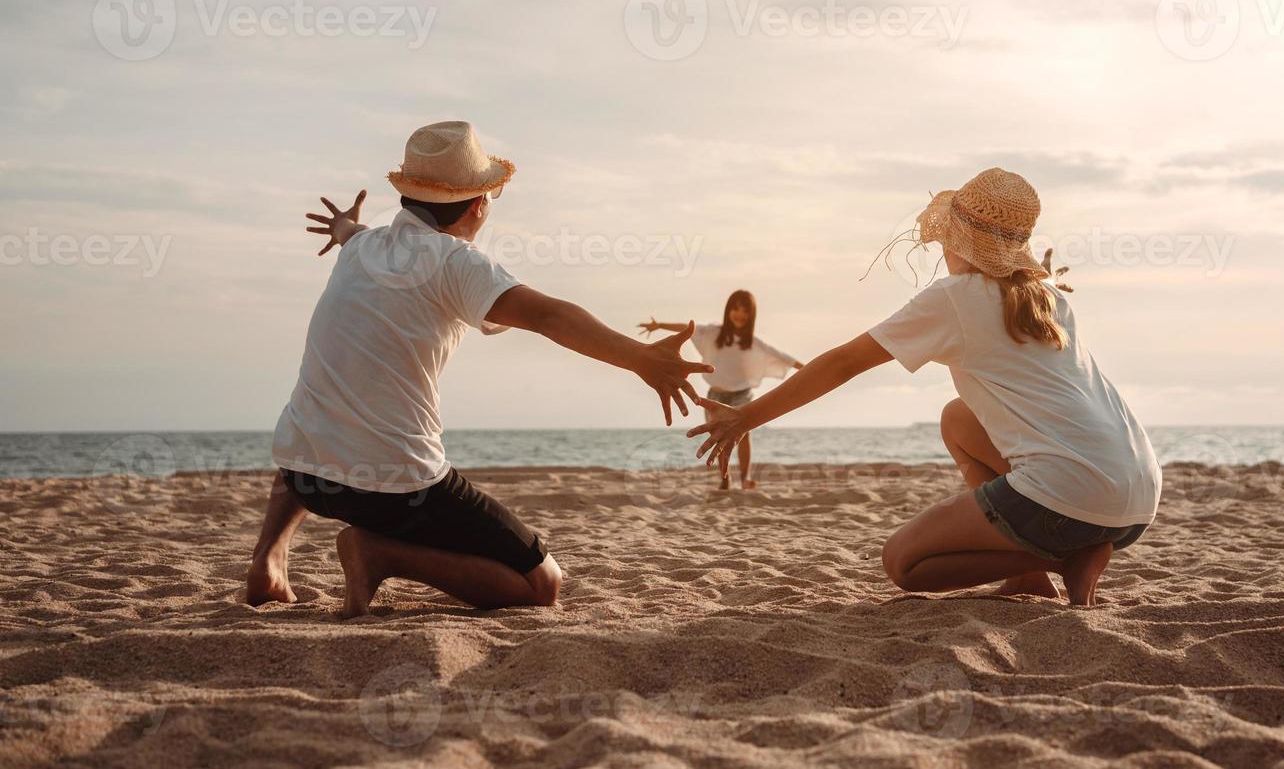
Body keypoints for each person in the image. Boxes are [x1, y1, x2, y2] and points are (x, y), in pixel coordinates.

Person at [245, 121, 712, 617]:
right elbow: (550, 315)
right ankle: (378, 552)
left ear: (407, 199)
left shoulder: (363, 247)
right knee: (542, 584)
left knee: (312, 413)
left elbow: (350, 233)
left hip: (303, 476)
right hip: (392, 490)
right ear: (478, 205)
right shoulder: (457, 263)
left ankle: (268, 557)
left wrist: (342, 226)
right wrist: (641, 358)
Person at [687, 169, 1161, 606]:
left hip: (1074, 496)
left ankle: (1061, 560)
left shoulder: (956, 296)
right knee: (956, 419)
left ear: (958, 242)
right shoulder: (1047, 296)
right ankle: (1032, 574)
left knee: (904, 562)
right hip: (1138, 495)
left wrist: (746, 417)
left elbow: (843, 362)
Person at [639, 290, 803, 490]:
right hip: (715, 395)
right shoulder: (713, 332)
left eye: (745, 311)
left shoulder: (751, 342)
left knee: (744, 436)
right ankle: (724, 478)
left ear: (751, 315)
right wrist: (660, 325)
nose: (740, 314)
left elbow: (779, 355)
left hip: (742, 394)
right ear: (728, 310)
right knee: (718, 438)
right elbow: (688, 329)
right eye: (736, 309)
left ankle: (745, 479)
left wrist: (807, 370)